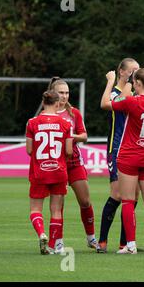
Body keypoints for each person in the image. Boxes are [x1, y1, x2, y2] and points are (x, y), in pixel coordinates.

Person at [101, 68, 144, 254]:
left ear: (138, 84)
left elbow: (106, 103)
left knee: (128, 202)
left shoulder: (132, 101)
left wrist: (121, 81)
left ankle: (130, 245)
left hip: (130, 156)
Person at [48, 77, 98, 250]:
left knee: (85, 201)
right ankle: (58, 240)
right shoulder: (47, 114)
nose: (64, 96)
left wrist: (70, 136)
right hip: (55, 163)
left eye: (67, 92)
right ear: (53, 93)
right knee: (58, 204)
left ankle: (91, 237)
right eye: (61, 92)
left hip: (74, 162)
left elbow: (84, 136)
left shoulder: (74, 113)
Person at [98, 58, 140, 253]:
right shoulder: (116, 93)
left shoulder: (138, 95)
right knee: (117, 194)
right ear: (122, 72)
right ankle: (102, 241)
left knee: (133, 197)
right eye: (133, 71)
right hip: (116, 149)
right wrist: (110, 81)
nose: (136, 74)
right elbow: (105, 105)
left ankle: (126, 243)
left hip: (135, 151)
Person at [26, 91, 73, 254]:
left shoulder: (32, 123)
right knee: (56, 210)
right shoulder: (66, 123)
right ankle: (53, 246)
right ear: (58, 103)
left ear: (43, 102)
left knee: (35, 209)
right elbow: (68, 151)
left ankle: (41, 234)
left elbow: (29, 150)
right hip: (59, 171)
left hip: (39, 171)